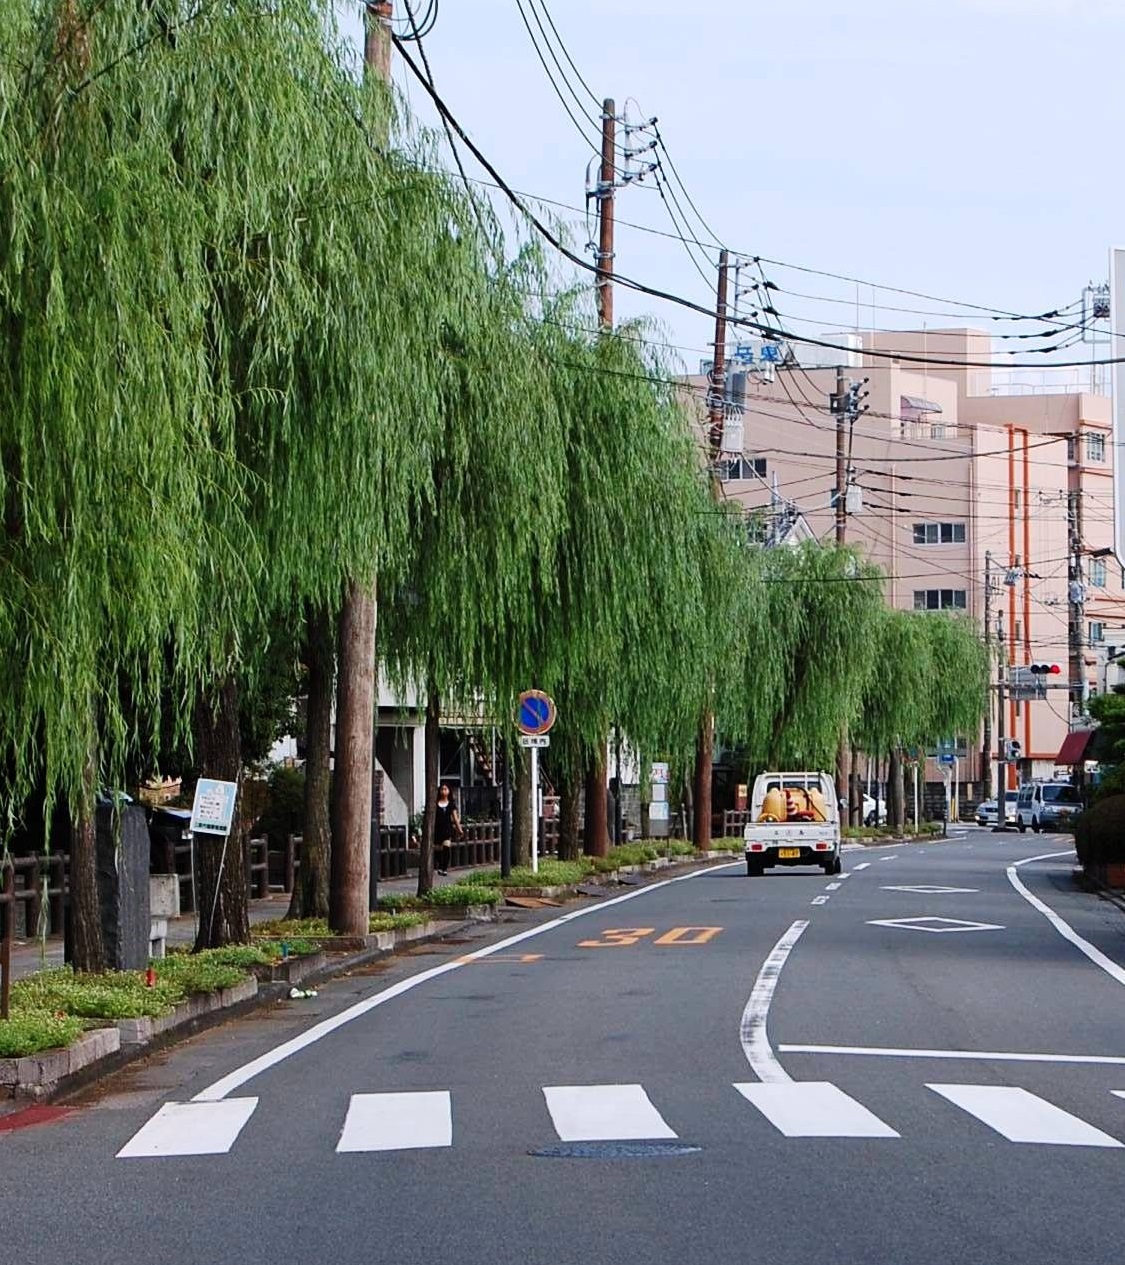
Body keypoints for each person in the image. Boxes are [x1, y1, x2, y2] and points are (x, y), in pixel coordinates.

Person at [434, 783, 462, 876]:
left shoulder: (451, 805)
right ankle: (440, 865)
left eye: (446, 789)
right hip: (437, 829)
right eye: (442, 789)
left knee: (446, 847)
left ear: (449, 791)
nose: (443, 790)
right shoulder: (435, 804)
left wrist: (459, 829)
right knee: (438, 850)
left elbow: (455, 818)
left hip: (447, 829)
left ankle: (444, 868)